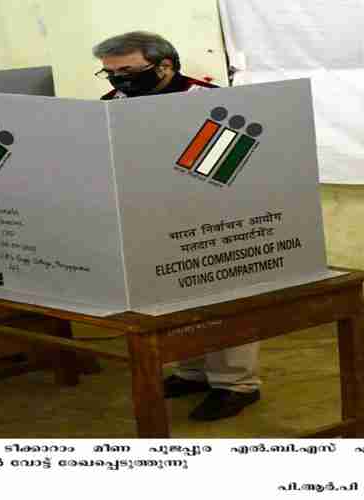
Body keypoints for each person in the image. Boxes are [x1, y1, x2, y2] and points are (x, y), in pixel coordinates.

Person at [92, 31, 262, 421]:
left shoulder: (210, 101)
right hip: (149, 216)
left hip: (212, 218)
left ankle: (237, 384)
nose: (118, 79)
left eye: (128, 70)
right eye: (110, 72)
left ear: (164, 65)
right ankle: (192, 372)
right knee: (170, 298)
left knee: (223, 301)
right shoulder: (113, 103)